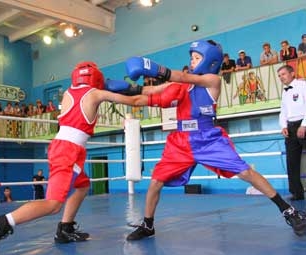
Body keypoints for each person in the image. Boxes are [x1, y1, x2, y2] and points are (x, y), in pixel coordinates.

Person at [109, 40, 306, 240]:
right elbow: (148, 92)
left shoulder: (213, 80)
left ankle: (288, 211)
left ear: (210, 62)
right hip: (180, 141)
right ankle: (148, 224)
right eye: (191, 58)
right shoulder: (180, 86)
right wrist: (118, 90)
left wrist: (155, 69)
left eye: (197, 58)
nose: (192, 61)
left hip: (208, 138)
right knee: (156, 182)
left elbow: (182, 75)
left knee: (245, 172)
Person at [0, 61, 146, 255]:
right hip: (67, 151)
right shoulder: (96, 94)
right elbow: (136, 101)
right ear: (97, 79)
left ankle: (65, 229)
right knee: (53, 205)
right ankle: (0, 223)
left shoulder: (68, 92)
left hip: (66, 148)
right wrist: (144, 90)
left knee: (82, 186)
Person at [278, 64, 306, 201]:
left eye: (283, 74)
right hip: (290, 128)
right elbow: (283, 110)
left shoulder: (302, 85)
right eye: (279, 76)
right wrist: (283, 125)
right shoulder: (284, 91)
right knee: (291, 162)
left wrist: (304, 125)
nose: (281, 77)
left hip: (303, 124)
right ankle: (297, 192)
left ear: (292, 73)